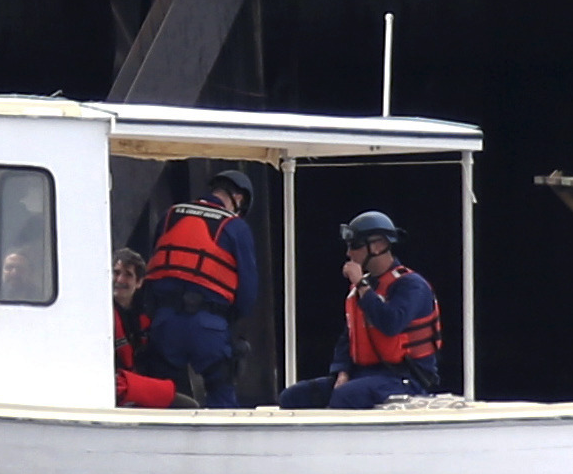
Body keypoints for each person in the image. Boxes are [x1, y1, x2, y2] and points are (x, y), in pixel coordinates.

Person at [279, 211, 443, 410]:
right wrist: (342, 372)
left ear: (379, 246)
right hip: (364, 373)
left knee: (347, 396)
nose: (349, 253)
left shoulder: (411, 285)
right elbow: (348, 336)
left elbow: (391, 323)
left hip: (404, 377)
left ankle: (338, 441)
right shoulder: (362, 289)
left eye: (355, 245)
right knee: (294, 397)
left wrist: (361, 284)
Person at [138, 168, 260, 408]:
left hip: (165, 322)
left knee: (162, 395)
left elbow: (156, 262)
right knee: (221, 390)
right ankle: (222, 443)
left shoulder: (170, 215)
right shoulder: (235, 227)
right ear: (239, 199)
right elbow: (247, 291)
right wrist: (231, 322)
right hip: (209, 325)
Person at [113, 248, 189, 409]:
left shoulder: (146, 317)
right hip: (114, 385)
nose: (120, 279)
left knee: (189, 405)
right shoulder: (99, 314)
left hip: (138, 383)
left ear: (139, 282)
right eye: (116, 272)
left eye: (128, 274)